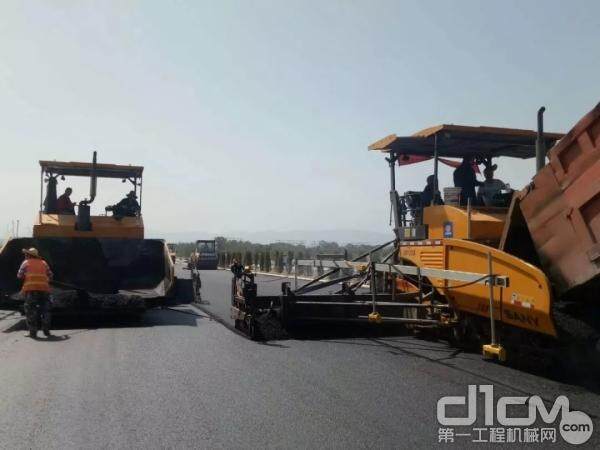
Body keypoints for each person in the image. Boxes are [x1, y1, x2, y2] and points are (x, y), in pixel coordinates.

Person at [17, 248, 53, 339]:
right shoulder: (44, 263)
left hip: (31, 290)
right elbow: (50, 275)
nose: (25, 255)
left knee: (30, 311)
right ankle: (46, 330)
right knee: (45, 310)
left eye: (26, 254)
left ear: (29, 255)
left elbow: (19, 275)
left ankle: (32, 333)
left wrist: (27, 275)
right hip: (44, 289)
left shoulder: (25, 263)